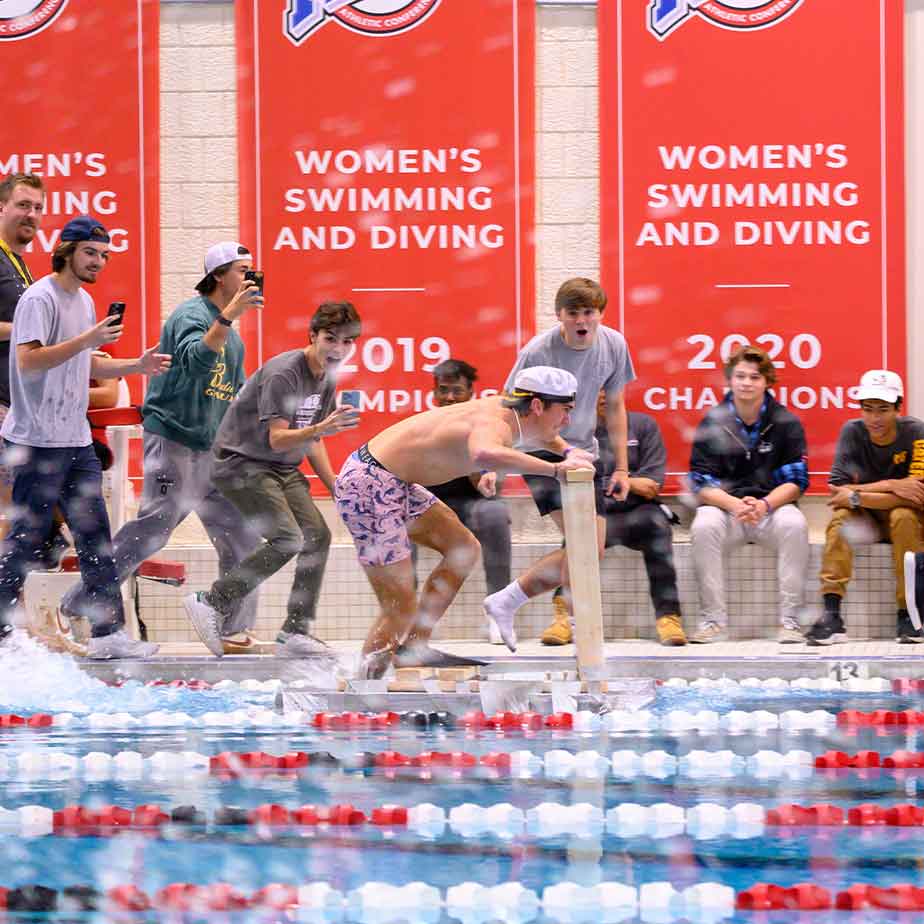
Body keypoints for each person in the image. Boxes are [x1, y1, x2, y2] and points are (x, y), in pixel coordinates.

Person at [60, 241, 267, 654]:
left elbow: (234, 395)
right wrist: (229, 316)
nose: (250, 277)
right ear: (218, 276)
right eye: (242, 270)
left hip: (211, 452)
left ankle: (229, 625)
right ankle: (81, 602)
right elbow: (194, 362)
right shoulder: (191, 316)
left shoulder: (235, 339)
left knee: (243, 535)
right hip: (173, 439)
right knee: (153, 530)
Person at [333, 366, 592, 679]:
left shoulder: (512, 414)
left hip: (392, 483)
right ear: (537, 406)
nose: (567, 420)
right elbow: (484, 450)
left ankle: (415, 648)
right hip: (368, 485)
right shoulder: (495, 422)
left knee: (463, 548)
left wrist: (568, 451)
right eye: (565, 411)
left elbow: (545, 436)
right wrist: (555, 470)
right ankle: (365, 685)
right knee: (399, 608)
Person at [0, 216, 170, 657]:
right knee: (27, 538)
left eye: (105, 254)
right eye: (91, 252)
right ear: (67, 251)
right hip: (35, 441)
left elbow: (86, 364)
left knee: (96, 537)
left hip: (74, 440)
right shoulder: (39, 298)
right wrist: (86, 340)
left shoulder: (86, 302)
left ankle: (108, 634)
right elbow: (29, 361)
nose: (99, 261)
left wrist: (136, 365)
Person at [183, 301, 362, 658]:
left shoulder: (326, 376)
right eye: (330, 339)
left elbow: (312, 440)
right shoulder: (285, 373)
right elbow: (278, 438)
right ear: (312, 336)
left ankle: (295, 632)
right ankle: (212, 601)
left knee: (318, 536)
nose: (338, 350)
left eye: (347, 342)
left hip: (280, 467)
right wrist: (321, 427)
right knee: (287, 540)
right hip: (241, 464)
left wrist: (335, 486)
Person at [482, 277, 635, 647]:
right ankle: (571, 621)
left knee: (591, 550)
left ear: (600, 314)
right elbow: (505, 408)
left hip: (583, 455)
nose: (582, 321)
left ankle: (507, 600)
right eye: (573, 314)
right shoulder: (539, 351)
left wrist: (622, 467)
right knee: (582, 544)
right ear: (560, 316)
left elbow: (615, 408)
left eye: (589, 312)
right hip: (542, 451)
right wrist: (492, 464)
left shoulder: (613, 344)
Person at [687, 344, 810, 644]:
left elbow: (797, 481)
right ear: (729, 379)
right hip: (728, 511)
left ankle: (790, 621)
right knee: (703, 524)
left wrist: (765, 504)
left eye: (754, 377)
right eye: (740, 376)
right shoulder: (713, 421)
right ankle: (713, 621)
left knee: (795, 523)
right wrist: (733, 504)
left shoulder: (785, 422)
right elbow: (700, 481)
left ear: (767, 381)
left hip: (771, 511)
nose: (746, 383)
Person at [547, 392, 685, 645]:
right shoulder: (574, 434)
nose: (602, 395)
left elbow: (651, 486)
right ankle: (564, 615)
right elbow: (567, 481)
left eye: (609, 388)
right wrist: (624, 483)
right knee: (577, 530)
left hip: (638, 511)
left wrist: (615, 481)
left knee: (658, 527)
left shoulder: (643, 426)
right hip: (597, 511)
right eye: (595, 388)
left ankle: (669, 617)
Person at [808, 370, 924, 645]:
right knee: (841, 518)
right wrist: (893, 485)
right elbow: (838, 491)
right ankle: (832, 615)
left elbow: (917, 495)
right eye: (868, 409)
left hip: (905, 517)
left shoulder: (916, 432)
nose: (874, 418)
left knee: (904, 515)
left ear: (898, 407)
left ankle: (910, 614)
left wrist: (857, 494)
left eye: (883, 409)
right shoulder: (852, 431)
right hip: (867, 520)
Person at [412, 359, 512, 642]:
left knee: (495, 513)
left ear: (471, 393)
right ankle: (409, 611)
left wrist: (471, 452)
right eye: (443, 391)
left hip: (473, 506)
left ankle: (497, 608)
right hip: (430, 506)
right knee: (398, 522)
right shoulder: (422, 427)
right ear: (434, 394)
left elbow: (494, 485)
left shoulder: (487, 428)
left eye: (457, 391)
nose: (450, 398)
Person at [0, 174, 45, 541]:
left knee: (18, 515)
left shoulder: (19, 264)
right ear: (2, 207)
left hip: (16, 406)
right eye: (23, 205)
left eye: (38, 208)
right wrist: (27, 332)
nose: (31, 214)